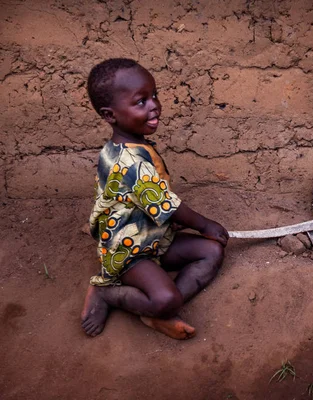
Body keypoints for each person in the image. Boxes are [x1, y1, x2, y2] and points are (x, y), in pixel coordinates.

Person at [81, 58, 229, 340]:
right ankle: (109, 294)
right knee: (166, 298)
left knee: (212, 253)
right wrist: (204, 224)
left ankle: (157, 312)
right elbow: (168, 206)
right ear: (110, 115)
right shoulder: (130, 163)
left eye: (154, 95)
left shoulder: (128, 146)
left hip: (154, 237)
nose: (154, 105)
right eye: (140, 102)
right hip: (128, 251)